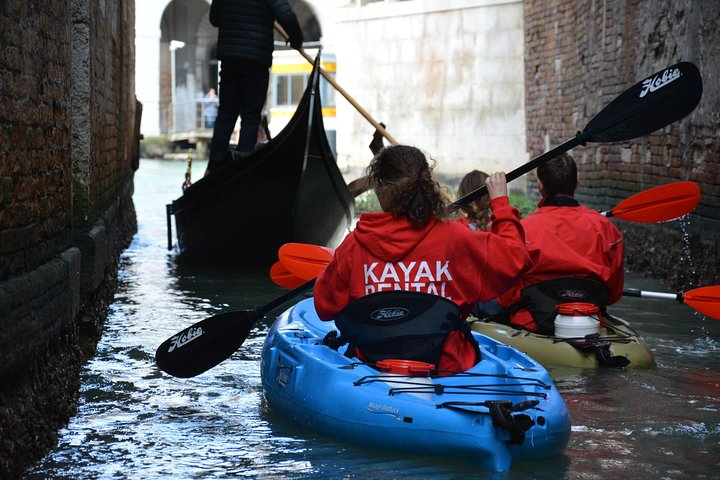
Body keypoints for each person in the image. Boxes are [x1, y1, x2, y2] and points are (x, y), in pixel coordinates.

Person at [313, 145, 534, 372]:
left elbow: (324, 308)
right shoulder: (456, 238)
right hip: (448, 369)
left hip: (371, 368)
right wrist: (501, 204)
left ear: (379, 188)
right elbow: (515, 259)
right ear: (427, 186)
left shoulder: (353, 246)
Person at [495, 153, 624, 331]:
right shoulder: (607, 229)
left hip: (531, 323)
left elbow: (505, 297)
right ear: (577, 182)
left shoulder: (522, 230)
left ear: (540, 185)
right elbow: (613, 294)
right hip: (590, 322)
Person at [206, 0, 303, 175]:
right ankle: (242, 168)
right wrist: (296, 39)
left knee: (226, 115)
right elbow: (286, 16)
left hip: (229, 57)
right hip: (255, 57)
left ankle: (213, 167)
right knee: (250, 117)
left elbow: (214, 18)